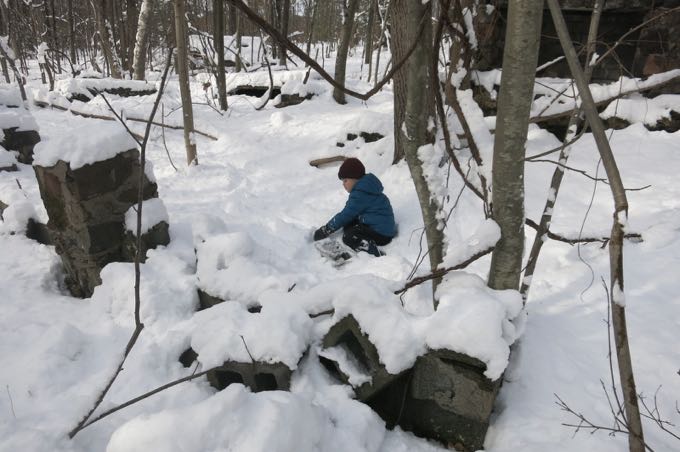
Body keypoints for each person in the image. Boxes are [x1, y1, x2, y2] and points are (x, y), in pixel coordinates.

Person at [313, 158, 396, 257]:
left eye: (345, 180)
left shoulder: (360, 194)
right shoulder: (366, 187)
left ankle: (373, 251)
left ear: (355, 178)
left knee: (349, 237)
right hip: (382, 228)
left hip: (381, 234)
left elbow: (346, 214)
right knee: (349, 223)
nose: (343, 184)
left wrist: (326, 229)